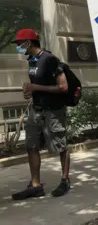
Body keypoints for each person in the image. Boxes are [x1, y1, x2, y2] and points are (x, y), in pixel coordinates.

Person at [11, 29, 71, 200]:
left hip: (53, 111)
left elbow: (63, 87)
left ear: (28, 43)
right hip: (36, 110)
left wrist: (36, 88)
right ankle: (35, 185)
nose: (18, 47)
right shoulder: (32, 60)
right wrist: (30, 92)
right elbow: (37, 85)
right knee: (31, 146)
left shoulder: (50, 59)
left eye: (19, 44)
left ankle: (65, 180)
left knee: (61, 146)